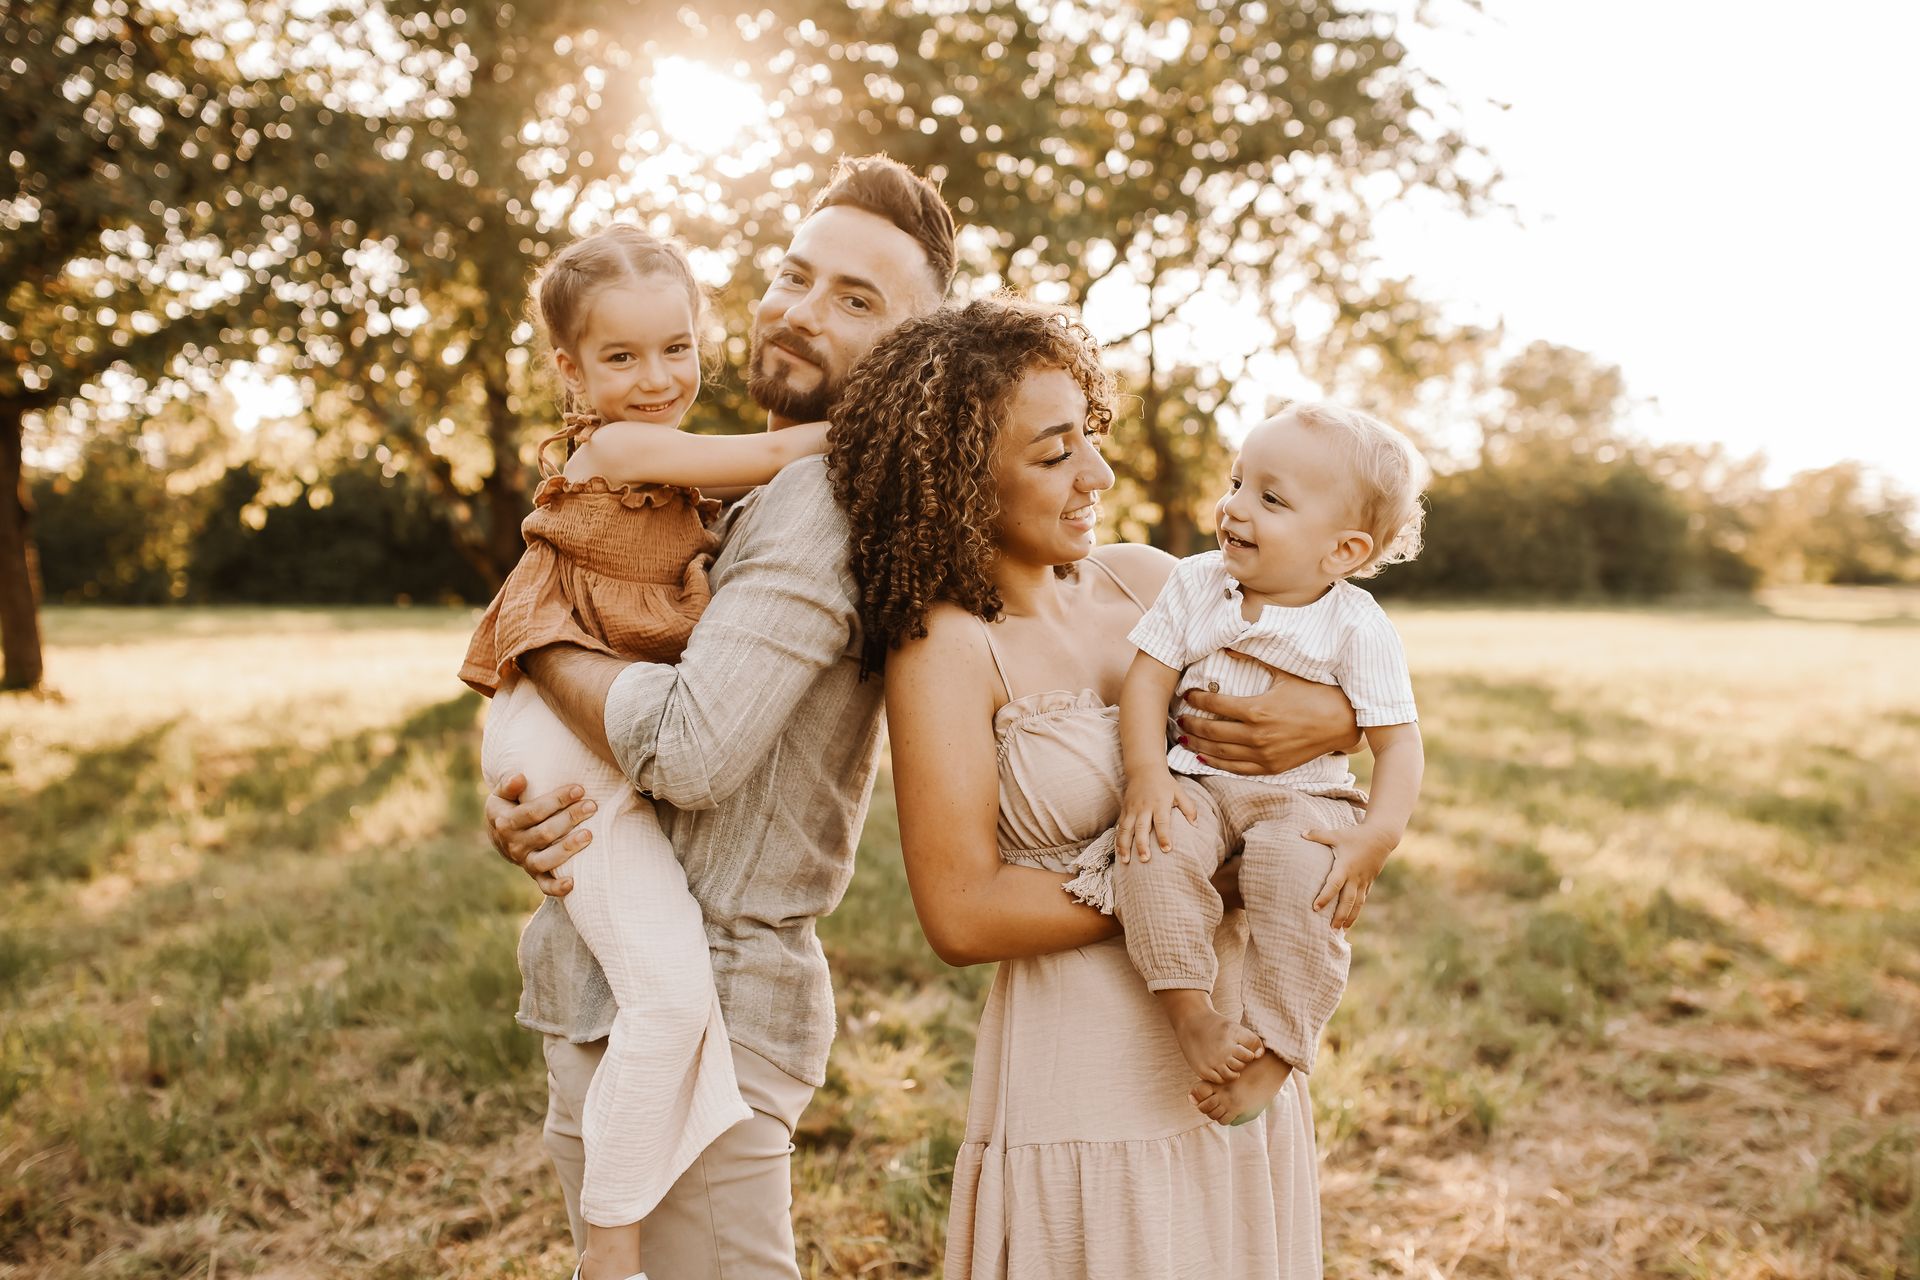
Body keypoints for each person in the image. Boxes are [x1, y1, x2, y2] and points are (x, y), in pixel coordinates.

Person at [483, 154, 960, 1279]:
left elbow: (690, 751)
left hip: (710, 1010)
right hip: (618, 975)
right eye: (796, 274)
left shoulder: (817, 493)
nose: (801, 310)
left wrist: (538, 641)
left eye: (857, 299)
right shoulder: (708, 491)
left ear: (908, 353)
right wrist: (528, 800)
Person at [827, 297, 1361, 1279]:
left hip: (1235, 1038)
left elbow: (1328, 688)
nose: (1097, 475)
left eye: (1093, 437)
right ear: (957, 479)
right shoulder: (946, 644)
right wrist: (1186, 875)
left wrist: (1336, 723)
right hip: (1086, 1078)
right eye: (1053, 452)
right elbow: (961, 912)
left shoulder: (1152, 581)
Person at [459, 224, 832, 1280]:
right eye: (621, 358)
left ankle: (639, 1214)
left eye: (677, 347)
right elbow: (768, 454)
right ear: (571, 370)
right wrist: (890, 422)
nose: (657, 378)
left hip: (589, 724)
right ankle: (610, 1251)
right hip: (563, 731)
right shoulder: (617, 451)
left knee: (671, 997)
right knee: (669, 1000)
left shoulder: (670, 467)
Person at [1110, 403, 1429, 1131]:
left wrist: (1377, 835)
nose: (1234, 508)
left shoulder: (1356, 624)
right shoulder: (1196, 583)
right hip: (1197, 781)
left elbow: (1399, 742)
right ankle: (1190, 1011)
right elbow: (1147, 682)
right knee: (1151, 849)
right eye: (1237, 482)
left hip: (1304, 797)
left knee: (1301, 876)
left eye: (1270, 498)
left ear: (1343, 552)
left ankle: (1280, 1045)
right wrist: (1148, 777)